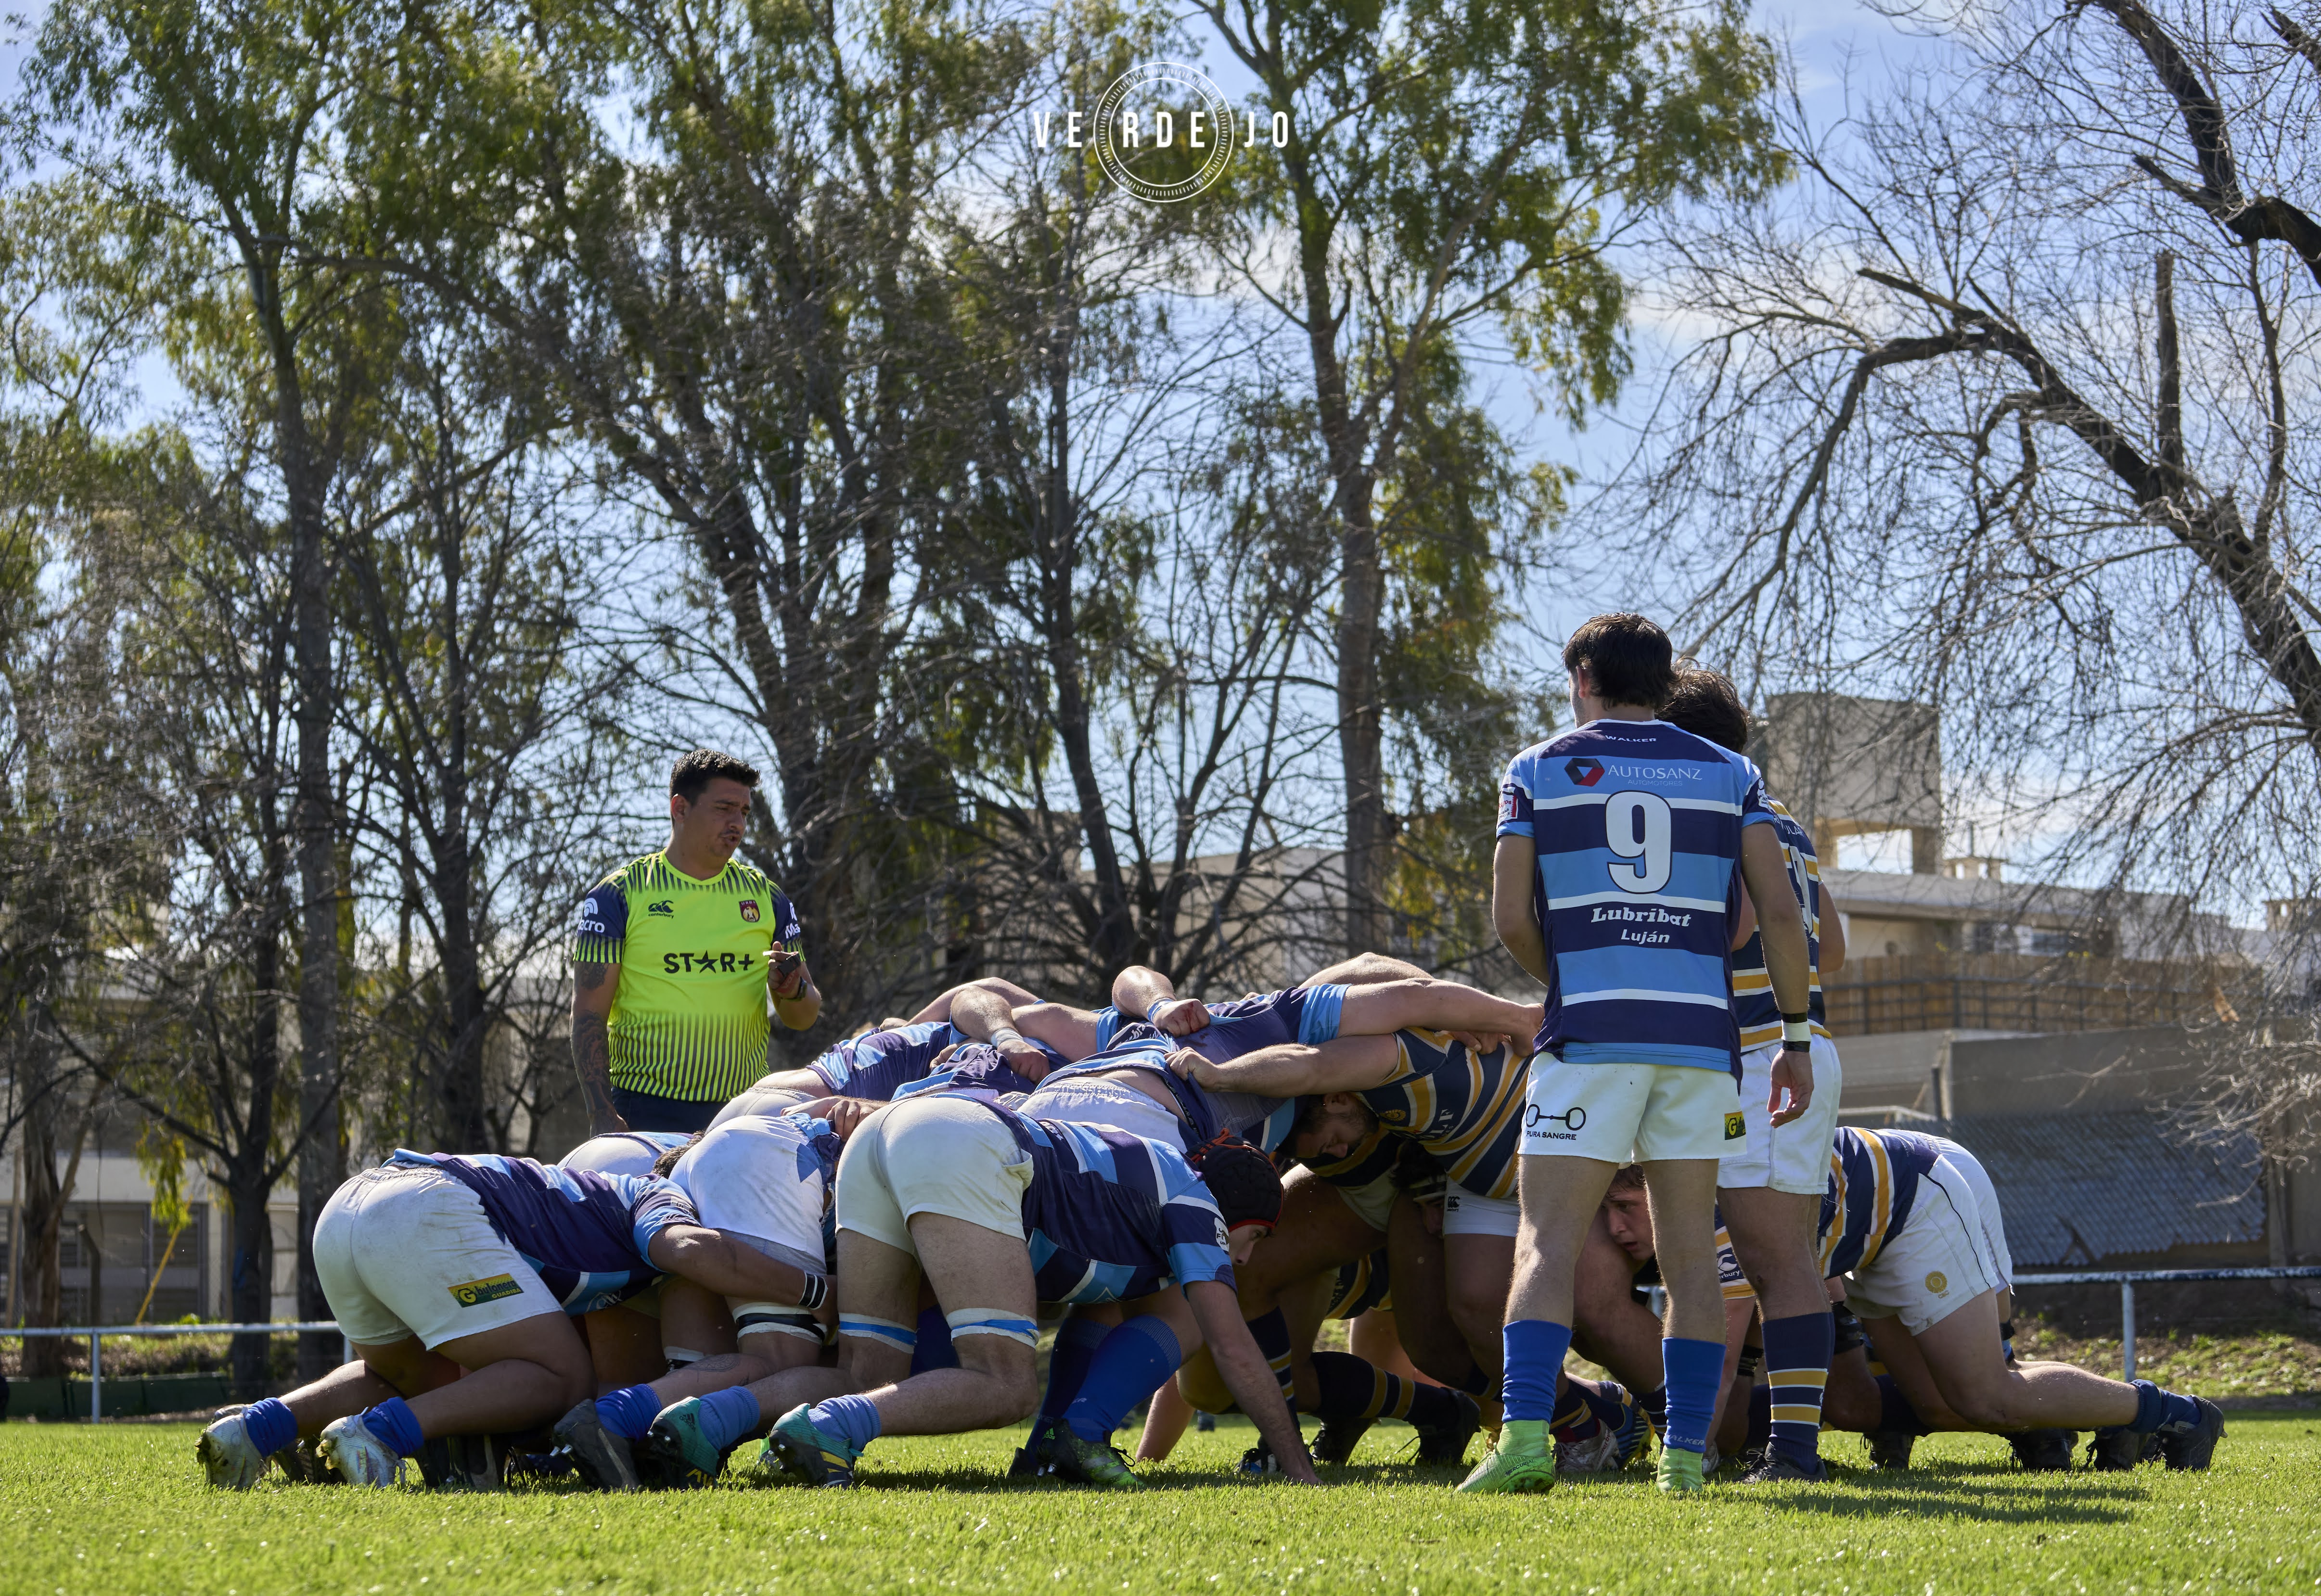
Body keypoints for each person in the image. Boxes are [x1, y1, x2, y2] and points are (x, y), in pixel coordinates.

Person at [1464, 612, 1818, 1496]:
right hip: (1700, 1046)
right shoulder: (1732, 771)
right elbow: (1777, 915)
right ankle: (1687, 1459)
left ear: (1582, 677)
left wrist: (1573, 977)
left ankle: (1522, 1444)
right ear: (1663, 683)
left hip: (1589, 1040)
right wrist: (1796, 1036)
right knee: (1691, 1256)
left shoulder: (1534, 767)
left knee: (1544, 1240)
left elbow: (1510, 919)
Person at [643, 1093, 1321, 1489]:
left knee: (862, 1371)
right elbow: (1231, 1347)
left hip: (885, 1134)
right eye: (1255, 1238)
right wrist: (1296, 1462)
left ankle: (710, 1419)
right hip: (963, 1140)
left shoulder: (1154, 1183)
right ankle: (822, 1430)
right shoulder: (1201, 1205)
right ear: (1241, 1217)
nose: (1248, 1255)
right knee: (1006, 1383)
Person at [193, 1149, 828, 1489]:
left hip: (348, 1210)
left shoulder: (583, 1193)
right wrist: (813, 1289)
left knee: (412, 1376)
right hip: (423, 1209)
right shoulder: (656, 1192)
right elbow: (687, 1248)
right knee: (561, 1378)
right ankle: (381, 1434)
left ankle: (255, 1429)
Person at [1605, 1128, 2227, 1472]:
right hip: (1870, 1234)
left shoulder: (1710, 1206)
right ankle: (2079, 1419)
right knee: (1936, 1403)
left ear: (1656, 1186)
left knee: (1987, 1392)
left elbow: (1712, 1365)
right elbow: (1724, 1363)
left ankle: (2177, 1414)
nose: (1614, 1228)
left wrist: (1684, 1461)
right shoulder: (1700, 1196)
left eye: (1624, 1206)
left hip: (1915, 1203)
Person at [1659, 664, 1850, 1481]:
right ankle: (1749, 1445)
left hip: (1757, 1059)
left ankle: (1792, 1454)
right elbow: (1831, 950)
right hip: (1791, 1049)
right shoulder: (1786, 823)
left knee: (1772, 1265)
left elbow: (1737, 922)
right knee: (1775, 1262)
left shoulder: (1718, 817)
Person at [556, 1108, 846, 1491]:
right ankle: (614, 1416)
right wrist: (820, 1292)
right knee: (779, 1365)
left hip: (647, 1177)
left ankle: (543, 1431)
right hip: (747, 1157)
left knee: (693, 1373)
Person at [570, 749, 819, 1136]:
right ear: (680, 808)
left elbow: (803, 1016)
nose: (736, 823)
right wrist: (599, 1112)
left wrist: (792, 990)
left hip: (743, 1110)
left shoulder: (767, 898)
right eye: (723, 808)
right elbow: (588, 1014)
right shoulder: (619, 895)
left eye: (744, 812)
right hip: (645, 1110)